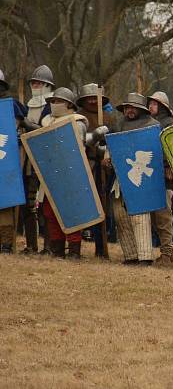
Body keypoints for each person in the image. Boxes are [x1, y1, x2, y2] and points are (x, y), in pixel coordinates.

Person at [38, 88, 107, 258]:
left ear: (69, 104)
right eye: (52, 101)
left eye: (58, 101)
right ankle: (57, 249)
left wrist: (96, 135)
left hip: (71, 175)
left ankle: (74, 251)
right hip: (51, 175)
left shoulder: (78, 121)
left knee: (73, 212)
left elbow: (78, 144)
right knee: (51, 212)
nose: (54, 104)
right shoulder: (46, 120)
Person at [107, 93, 160, 265]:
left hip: (143, 180)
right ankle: (131, 256)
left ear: (140, 109)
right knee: (120, 216)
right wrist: (107, 158)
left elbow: (158, 152)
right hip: (120, 178)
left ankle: (145, 256)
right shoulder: (119, 126)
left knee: (140, 216)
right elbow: (112, 147)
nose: (129, 110)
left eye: (133, 107)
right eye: (126, 107)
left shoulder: (152, 127)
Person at [19, 65, 55, 254]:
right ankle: (31, 245)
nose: (35, 85)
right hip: (28, 162)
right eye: (33, 82)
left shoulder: (52, 107)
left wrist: (27, 125)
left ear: (48, 85)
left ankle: (48, 246)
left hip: (45, 162)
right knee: (28, 204)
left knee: (45, 206)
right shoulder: (26, 108)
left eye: (39, 82)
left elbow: (46, 131)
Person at [76, 83, 115, 257]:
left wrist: (105, 151)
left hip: (104, 167)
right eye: (89, 98)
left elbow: (114, 141)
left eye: (95, 98)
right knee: (83, 204)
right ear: (83, 100)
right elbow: (77, 142)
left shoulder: (108, 118)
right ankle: (76, 246)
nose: (92, 101)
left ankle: (101, 248)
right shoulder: (78, 117)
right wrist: (94, 138)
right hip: (85, 164)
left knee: (103, 206)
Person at [146, 91, 173, 265]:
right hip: (149, 175)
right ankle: (165, 251)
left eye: (154, 104)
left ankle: (166, 253)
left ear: (163, 106)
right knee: (152, 218)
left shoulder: (172, 125)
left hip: (165, 178)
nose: (151, 107)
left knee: (164, 217)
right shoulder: (146, 124)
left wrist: (169, 167)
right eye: (149, 104)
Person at [0, 69, 27, 253]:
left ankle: (6, 243)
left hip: (6, 158)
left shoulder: (10, 107)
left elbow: (17, 127)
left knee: (6, 203)